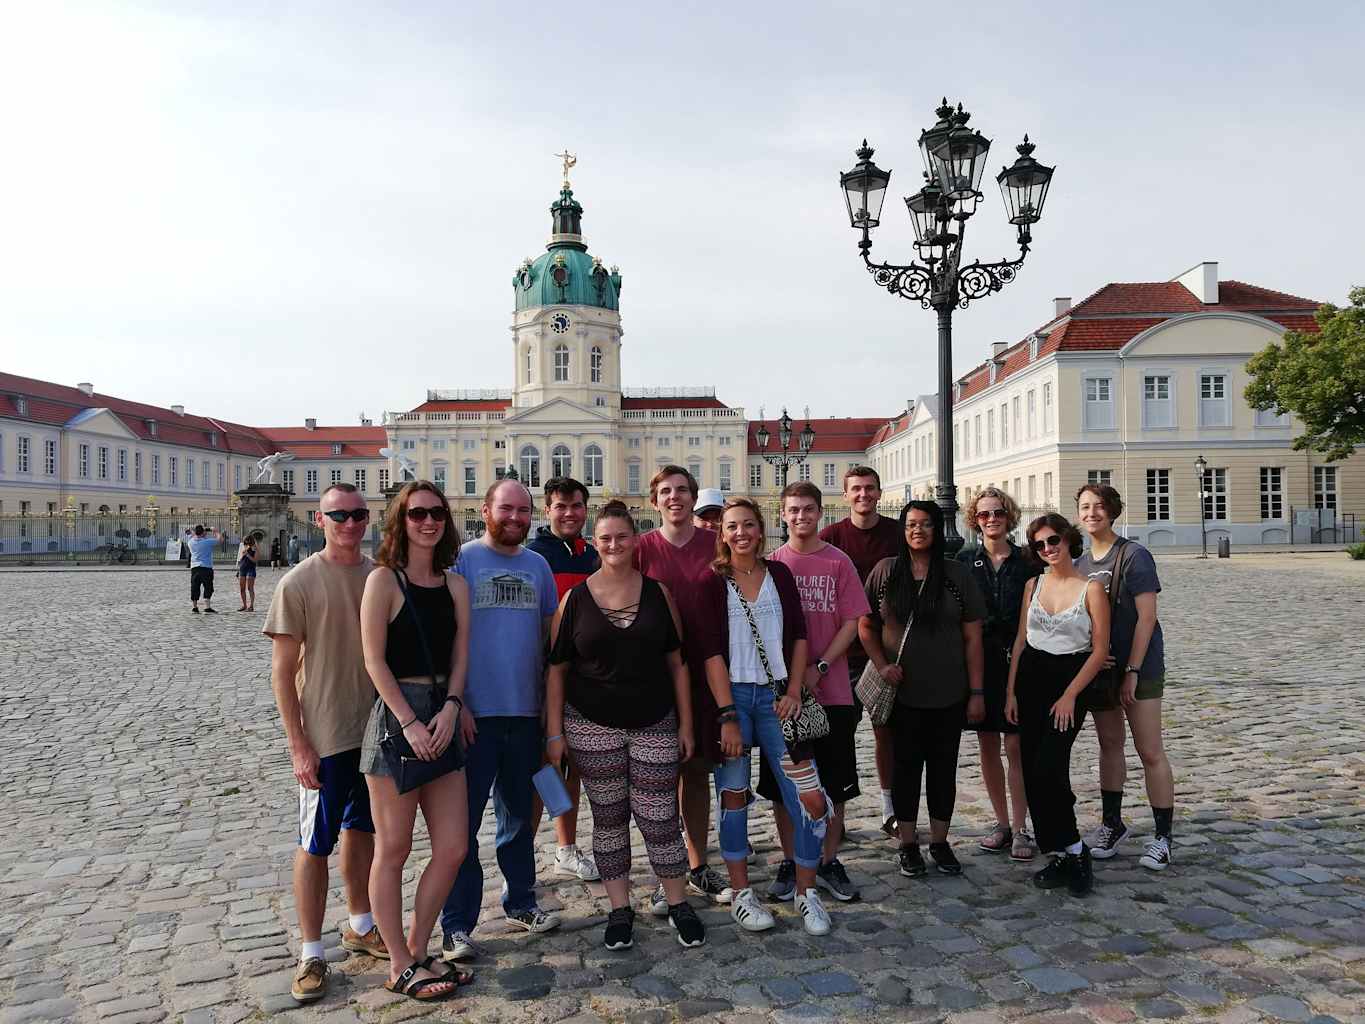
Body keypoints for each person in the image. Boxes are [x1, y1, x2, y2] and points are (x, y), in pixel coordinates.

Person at [545, 501, 706, 950]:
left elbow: (678, 665)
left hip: (655, 719)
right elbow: (556, 669)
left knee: (659, 817)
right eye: (605, 538)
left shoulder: (659, 594)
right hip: (591, 725)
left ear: (636, 541)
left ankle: (677, 903)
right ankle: (619, 909)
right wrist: (554, 733)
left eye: (622, 536)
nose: (614, 544)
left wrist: (686, 725)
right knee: (609, 818)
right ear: (594, 544)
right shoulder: (575, 598)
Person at [263, 483, 387, 1004]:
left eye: (359, 514)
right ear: (320, 519)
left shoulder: (379, 575)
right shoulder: (298, 582)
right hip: (326, 731)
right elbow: (281, 671)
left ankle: (360, 922)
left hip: (374, 732)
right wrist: (297, 744)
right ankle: (311, 950)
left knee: (363, 831)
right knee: (315, 843)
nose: (351, 523)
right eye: (340, 515)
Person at [696, 498, 834, 937]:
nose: (740, 533)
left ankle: (806, 892)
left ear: (761, 530)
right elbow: (712, 653)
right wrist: (726, 716)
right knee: (733, 799)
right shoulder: (712, 582)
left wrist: (795, 689)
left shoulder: (780, 575)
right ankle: (741, 893)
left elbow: (798, 635)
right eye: (732, 526)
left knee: (810, 801)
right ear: (722, 533)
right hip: (733, 697)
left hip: (779, 698)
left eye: (749, 525)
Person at [358, 482, 472, 1002]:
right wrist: (408, 721)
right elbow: (374, 660)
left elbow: (461, 656)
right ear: (400, 521)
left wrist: (451, 707)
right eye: (417, 513)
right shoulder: (383, 581)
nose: (428, 521)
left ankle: (419, 946)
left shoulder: (455, 586)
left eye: (436, 513)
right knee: (395, 847)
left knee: (452, 847)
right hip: (396, 719)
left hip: (443, 715)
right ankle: (399, 963)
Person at [440, 479, 561, 964]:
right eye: (506, 508)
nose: (515, 517)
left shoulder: (538, 566)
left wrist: (551, 717)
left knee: (517, 819)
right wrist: (457, 701)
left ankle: (521, 901)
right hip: (474, 716)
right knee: (462, 827)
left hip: (525, 714)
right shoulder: (463, 561)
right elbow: (446, 636)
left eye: (523, 511)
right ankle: (456, 924)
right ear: (486, 509)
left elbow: (550, 642)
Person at [859, 501, 986, 879]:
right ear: (903, 529)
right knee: (905, 769)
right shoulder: (885, 572)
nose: (918, 530)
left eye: (926, 524)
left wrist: (977, 692)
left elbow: (973, 638)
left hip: (948, 691)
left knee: (944, 769)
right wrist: (882, 664)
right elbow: (864, 624)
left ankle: (941, 841)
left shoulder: (956, 574)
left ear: (936, 529)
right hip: (902, 694)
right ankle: (908, 843)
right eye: (911, 524)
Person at [759, 482, 870, 903]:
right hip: (784, 695)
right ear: (783, 515)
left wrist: (820, 667)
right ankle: (790, 859)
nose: (801, 516)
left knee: (835, 784)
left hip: (834, 691)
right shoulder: (772, 564)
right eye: (793, 509)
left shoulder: (838, 562)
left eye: (808, 509)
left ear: (820, 512)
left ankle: (827, 860)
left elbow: (851, 621)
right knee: (784, 784)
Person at [634, 465, 732, 911]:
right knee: (658, 778)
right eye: (666, 491)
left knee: (696, 771)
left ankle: (696, 863)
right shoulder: (641, 549)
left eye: (683, 490)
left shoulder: (717, 544)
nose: (675, 497)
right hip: (654, 674)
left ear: (694, 498)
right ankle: (665, 870)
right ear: (655, 500)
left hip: (707, 669)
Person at [1005, 514, 1110, 897]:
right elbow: (1020, 642)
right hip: (1031, 677)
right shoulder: (1033, 585)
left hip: (1070, 680)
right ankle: (1058, 853)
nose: (1048, 549)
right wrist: (1011, 692)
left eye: (1053, 541)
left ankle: (1077, 851)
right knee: (1032, 771)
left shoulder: (1091, 589)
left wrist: (1070, 695)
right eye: (1039, 545)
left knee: (1051, 767)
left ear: (1068, 539)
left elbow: (1099, 652)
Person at [1074, 483, 1174, 871]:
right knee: (1110, 746)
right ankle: (1113, 824)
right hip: (1103, 672)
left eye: (1098, 506)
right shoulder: (1081, 564)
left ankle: (1163, 836)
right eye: (1084, 507)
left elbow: (1146, 618)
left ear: (1112, 511)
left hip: (1140, 668)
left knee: (1150, 751)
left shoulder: (1133, 556)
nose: (1091, 513)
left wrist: (1132, 670)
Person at [956, 487, 1040, 861]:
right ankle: (1002, 823)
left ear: (1009, 517)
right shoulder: (964, 559)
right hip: (979, 662)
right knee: (987, 744)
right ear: (975, 519)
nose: (991, 520)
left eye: (998, 513)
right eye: (985, 514)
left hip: (1020, 661)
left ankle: (1022, 827)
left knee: (1016, 746)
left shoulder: (1027, 560)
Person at [819, 466, 902, 837]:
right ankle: (837, 819)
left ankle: (890, 809)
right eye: (856, 489)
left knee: (887, 732)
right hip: (844, 654)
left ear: (880, 493)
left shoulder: (898, 535)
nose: (863, 495)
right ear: (845, 495)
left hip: (888, 651)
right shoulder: (830, 538)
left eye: (869, 488)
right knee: (840, 737)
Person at [526, 477, 601, 883]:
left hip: (585, 677)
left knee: (570, 768)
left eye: (576, 506)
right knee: (543, 768)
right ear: (548, 510)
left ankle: (566, 848)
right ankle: (524, 857)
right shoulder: (535, 556)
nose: (569, 513)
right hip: (543, 675)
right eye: (561, 506)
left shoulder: (592, 555)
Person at [187, 524, 221, 614]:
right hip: (206, 567)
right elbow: (220, 540)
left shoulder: (190, 542)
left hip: (194, 567)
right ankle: (207, 607)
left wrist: (202, 532)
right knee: (208, 587)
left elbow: (194, 535)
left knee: (195, 587)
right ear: (203, 533)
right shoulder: (207, 542)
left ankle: (195, 607)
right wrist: (215, 531)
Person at [237, 535, 259, 612]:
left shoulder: (254, 548)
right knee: (242, 588)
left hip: (251, 569)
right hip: (242, 568)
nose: (245, 542)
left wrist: (248, 555)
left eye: (246, 540)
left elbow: (255, 560)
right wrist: (238, 570)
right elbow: (241, 559)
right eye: (244, 541)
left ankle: (251, 606)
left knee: (250, 588)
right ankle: (244, 605)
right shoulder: (244, 546)